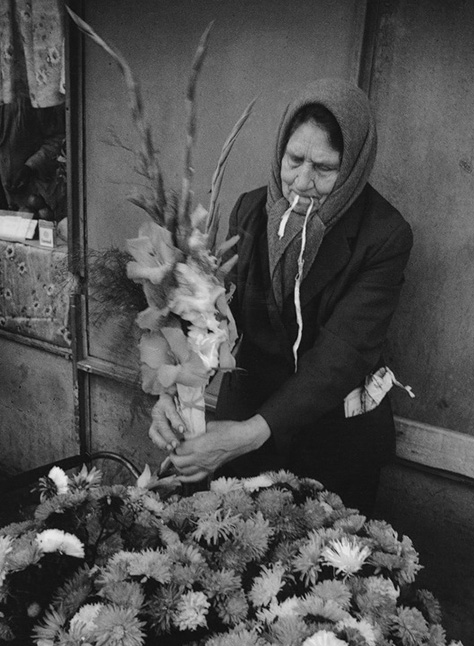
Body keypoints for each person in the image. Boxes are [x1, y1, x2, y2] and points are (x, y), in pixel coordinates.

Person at [149, 78, 413, 515]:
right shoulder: (250, 209)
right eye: (294, 160)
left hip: (332, 440)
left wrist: (252, 431)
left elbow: (343, 354)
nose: (302, 182)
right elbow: (216, 314)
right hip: (246, 425)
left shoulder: (384, 236)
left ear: (352, 169)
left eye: (324, 169)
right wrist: (172, 389)